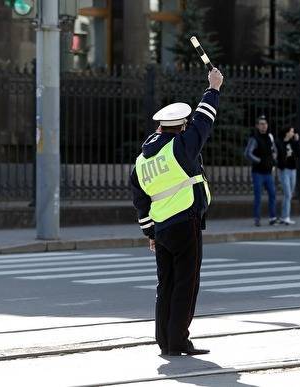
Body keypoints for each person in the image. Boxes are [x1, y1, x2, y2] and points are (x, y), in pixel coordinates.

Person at [130, 67, 223, 357]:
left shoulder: (141, 162)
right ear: (180, 127)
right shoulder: (180, 148)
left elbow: (140, 201)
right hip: (186, 223)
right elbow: (204, 122)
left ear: (160, 127)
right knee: (186, 284)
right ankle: (179, 341)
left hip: (161, 229)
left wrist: (150, 232)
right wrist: (214, 88)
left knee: (165, 284)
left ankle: (164, 340)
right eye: (185, 126)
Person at [244, 115, 278, 227]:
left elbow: (274, 151)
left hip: (268, 173)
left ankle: (273, 218)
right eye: (261, 124)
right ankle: (257, 219)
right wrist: (259, 161)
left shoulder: (270, 137)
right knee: (258, 197)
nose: (264, 126)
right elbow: (248, 153)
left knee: (273, 195)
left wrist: (272, 161)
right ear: (257, 126)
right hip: (257, 172)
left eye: (265, 124)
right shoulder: (254, 138)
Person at [276, 127, 300, 225]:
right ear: (287, 132)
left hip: (293, 170)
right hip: (284, 170)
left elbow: (299, 154)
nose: (293, 133)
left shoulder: (293, 142)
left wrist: (296, 141)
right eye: (291, 131)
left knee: (289, 195)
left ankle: (283, 217)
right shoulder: (279, 142)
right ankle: (286, 217)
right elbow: (279, 155)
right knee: (288, 194)